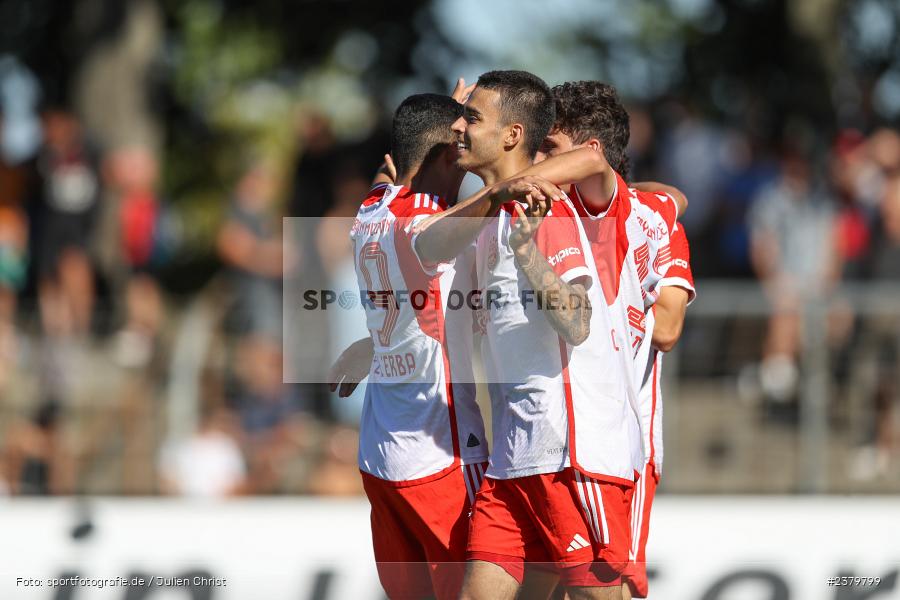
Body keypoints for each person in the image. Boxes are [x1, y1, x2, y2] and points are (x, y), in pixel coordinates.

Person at [336, 92, 491, 600]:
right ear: (450, 151)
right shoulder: (422, 220)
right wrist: (509, 182)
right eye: (463, 138)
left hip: (380, 451)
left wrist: (448, 112)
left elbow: (400, 174)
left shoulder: (370, 205)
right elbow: (461, 215)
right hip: (436, 453)